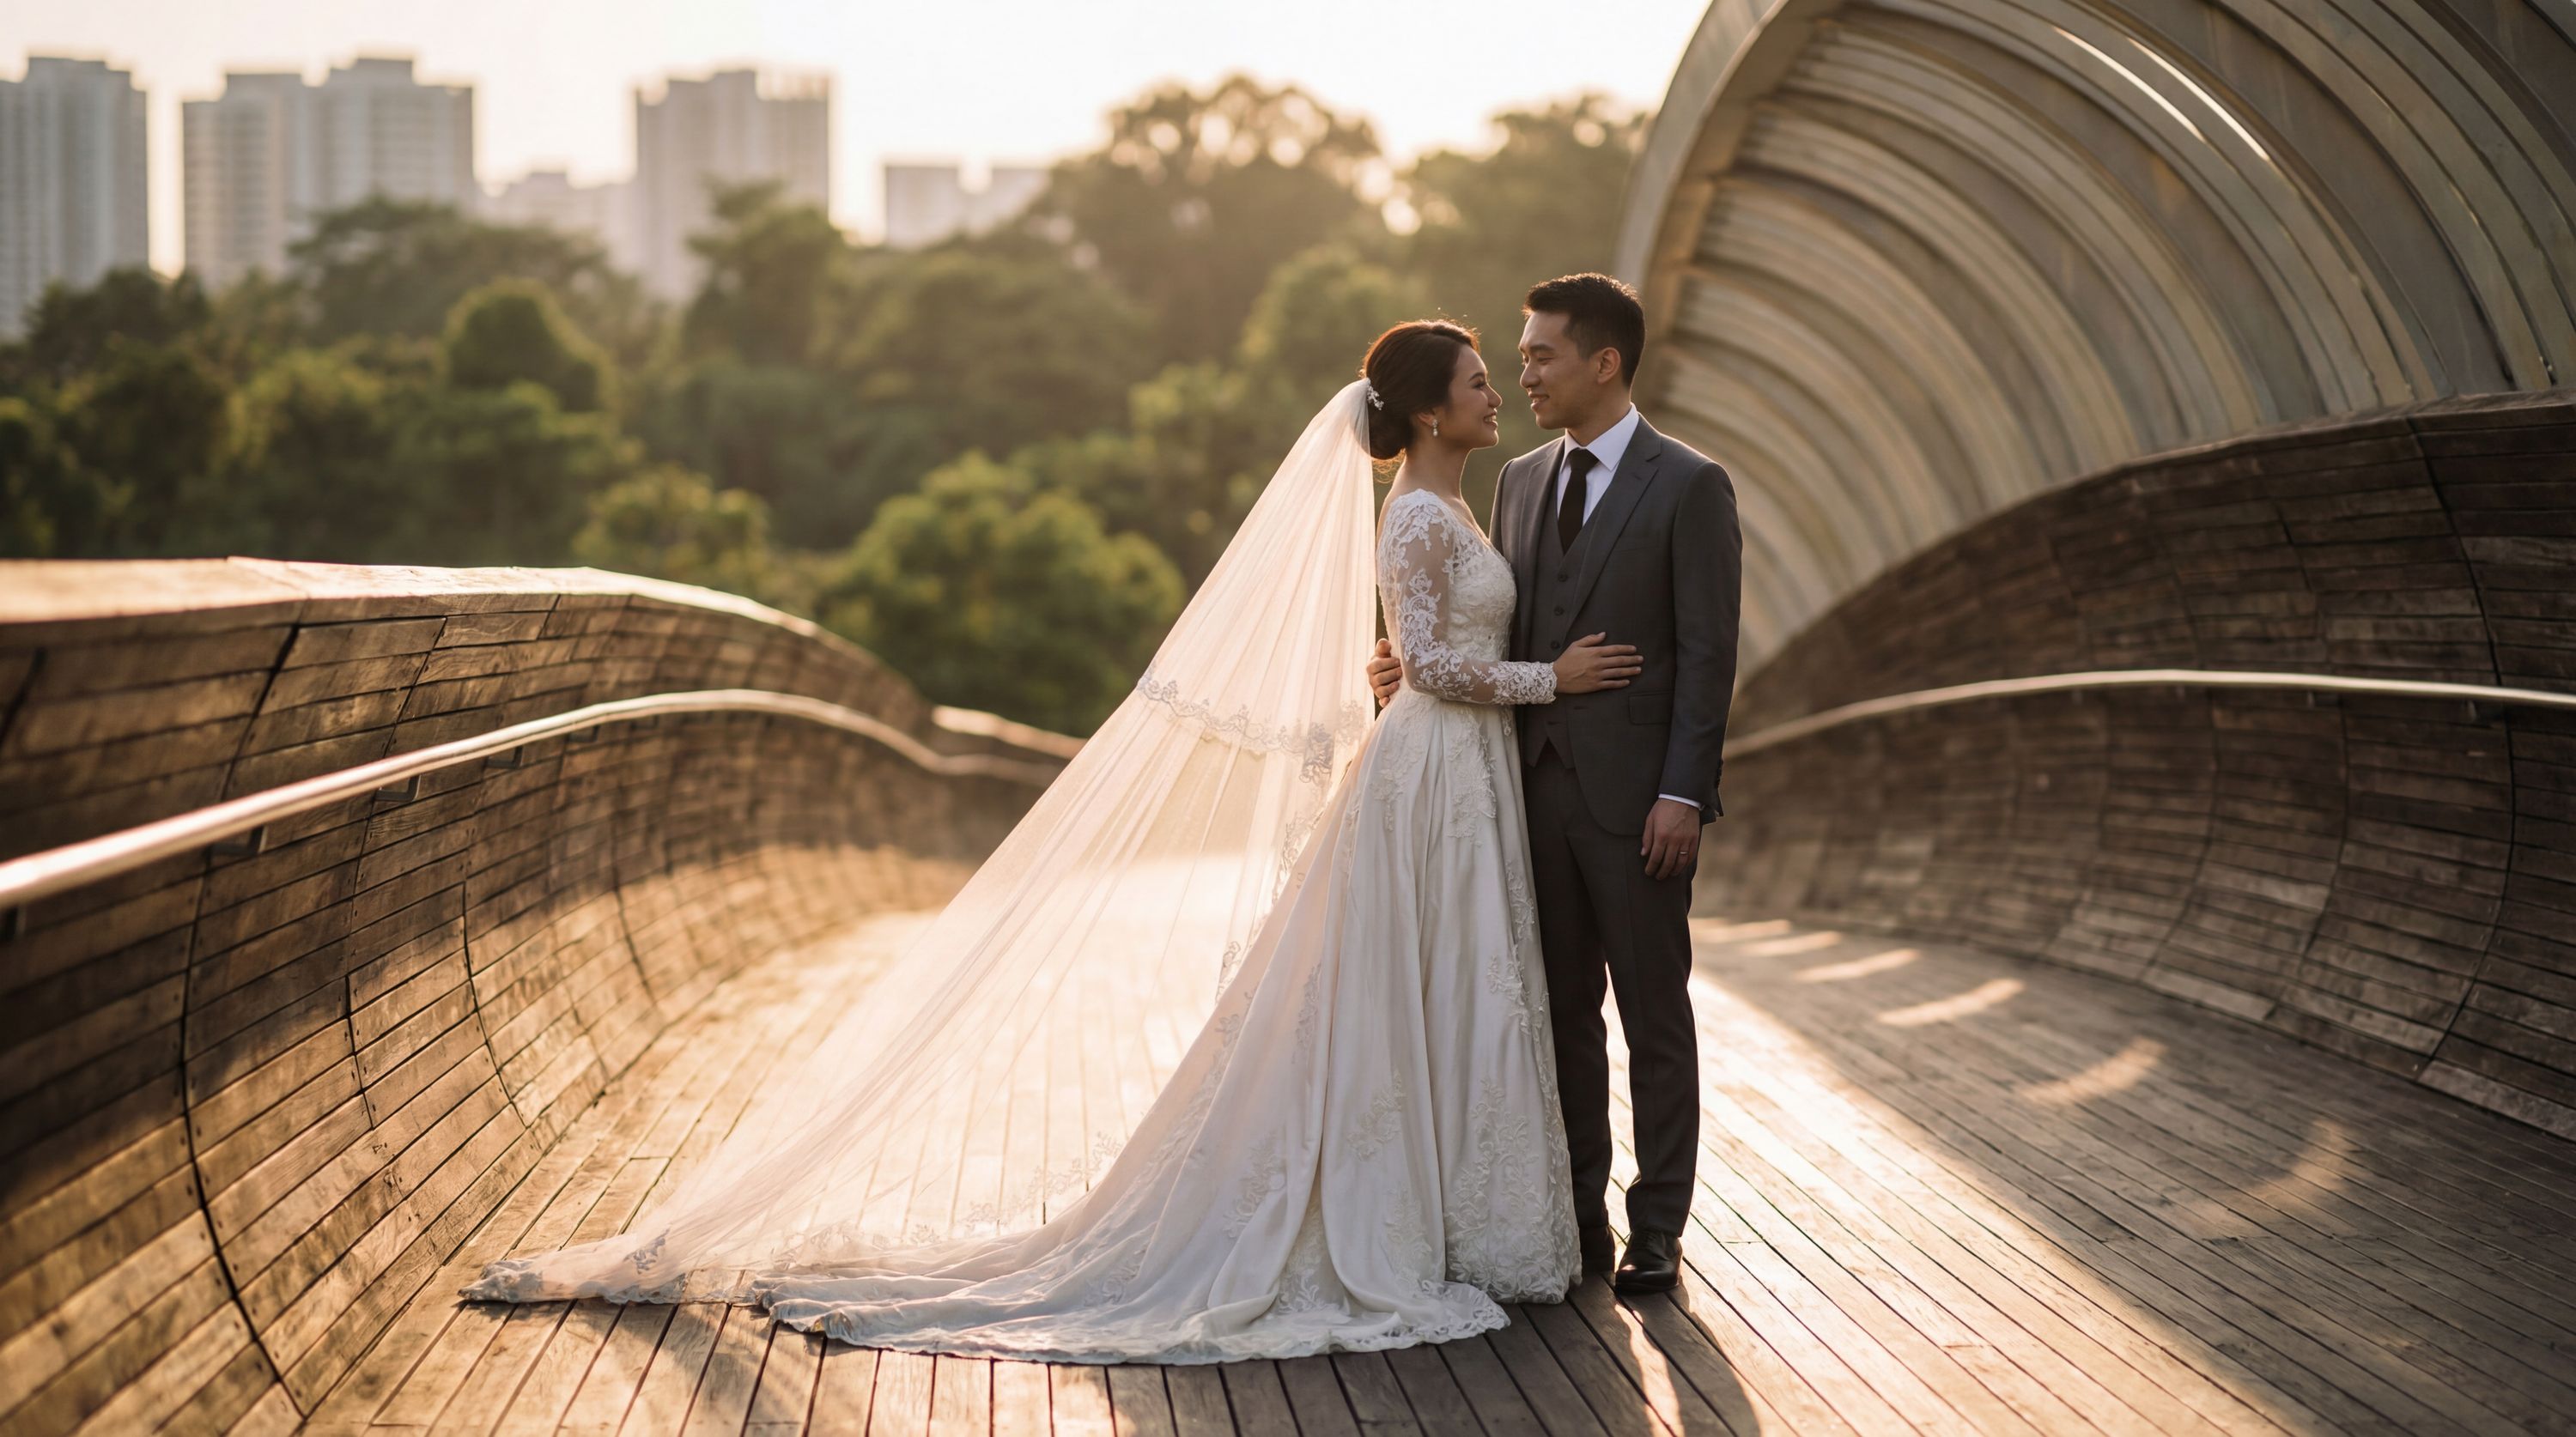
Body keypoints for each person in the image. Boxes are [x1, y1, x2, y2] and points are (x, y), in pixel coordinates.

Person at [462, 320, 1644, 1362]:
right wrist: (1555, 675)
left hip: (1457, 773)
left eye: (1507, 375)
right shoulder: (1416, 519)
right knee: (1415, 983)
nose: (1500, 394)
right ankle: (1400, 1221)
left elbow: (1412, 657)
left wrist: (1420, 673)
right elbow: (1433, 663)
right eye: (1483, 381)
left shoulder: (1453, 509)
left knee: (1444, 985)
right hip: (1435, 777)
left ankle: (1450, 1212)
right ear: (1432, 409)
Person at [1368, 273, 1742, 1295]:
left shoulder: (1690, 484)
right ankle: (1576, 1218)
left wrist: (1683, 793)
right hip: (1520, 795)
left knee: (1653, 1014)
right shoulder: (1519, 480)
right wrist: (1410, 668)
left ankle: (1657, 1228)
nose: (1523, 373)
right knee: (1556, 1011)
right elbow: (1493, 628)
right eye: (1512, 361)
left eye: (1539, 356)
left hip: (1638, 807)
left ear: (1604, 362)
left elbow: (1708, 655)